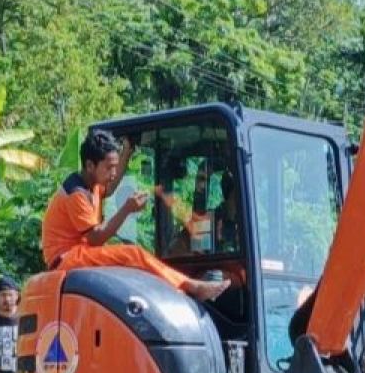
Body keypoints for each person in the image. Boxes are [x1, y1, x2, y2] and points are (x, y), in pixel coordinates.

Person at [41, 129, 229, 301]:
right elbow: (96, 238)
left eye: (115, 167)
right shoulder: (77, 193)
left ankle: (179, 286)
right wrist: (127, 209)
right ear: (90, 165)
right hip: (66, 258)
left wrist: (127, 152)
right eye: (109, 168)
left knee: (130, 251)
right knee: (133, 253)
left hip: (80, 252)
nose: (113, 173)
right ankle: (192, 286)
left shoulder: (93, 184)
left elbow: (110, 188)